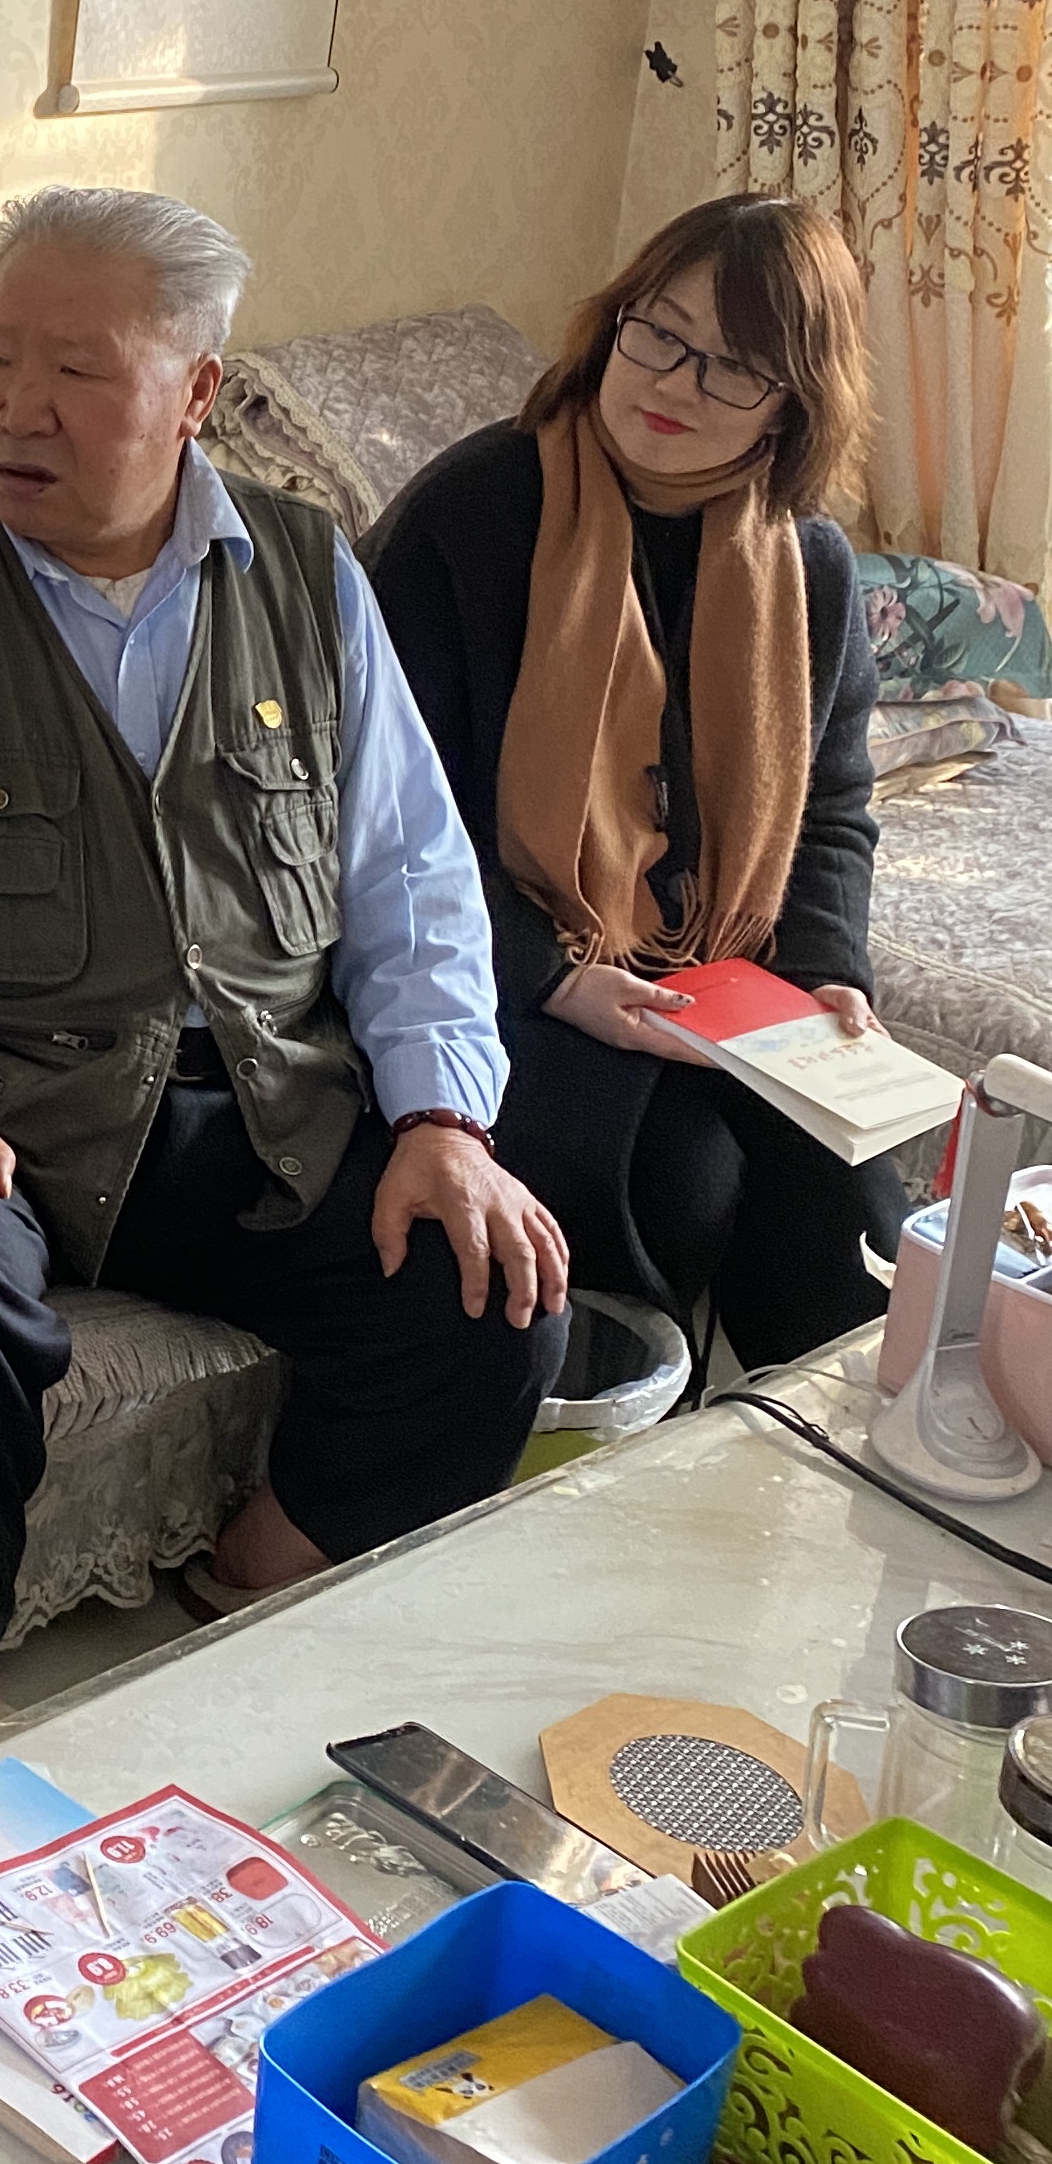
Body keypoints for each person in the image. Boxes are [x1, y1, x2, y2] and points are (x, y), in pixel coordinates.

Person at [0, 186, 569, 1778]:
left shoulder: (307, 575)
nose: (17, 407)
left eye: (77, 370)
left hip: (263, 1104)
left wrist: (443, 1116)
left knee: (491, 1282)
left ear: (197, 391)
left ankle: (260, 1572)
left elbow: (409, 876)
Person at [365, 195, 899, 1367]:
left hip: (714, 972)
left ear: (793, 404)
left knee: (856, 1205)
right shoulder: (477, 513)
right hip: (494, 969)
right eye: (659, 332)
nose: (673, 383)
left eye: (734, 368)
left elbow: (832, 807)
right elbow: (385, 818)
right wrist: (554, 977)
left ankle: (798, 1463)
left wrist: (823, 971)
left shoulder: (807, 565)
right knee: (682, 1181)